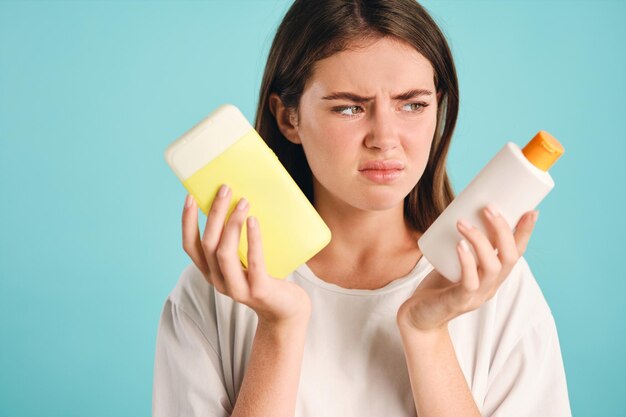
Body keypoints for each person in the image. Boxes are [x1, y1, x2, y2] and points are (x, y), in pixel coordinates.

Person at [152, 0, 572, 416]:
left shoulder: (494, 287)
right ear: (288, 118)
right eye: (350, 107)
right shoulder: (216, 290)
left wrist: (426, 333)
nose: (385, 138)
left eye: (413, 104)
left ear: (438, 107)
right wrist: (279, 329)